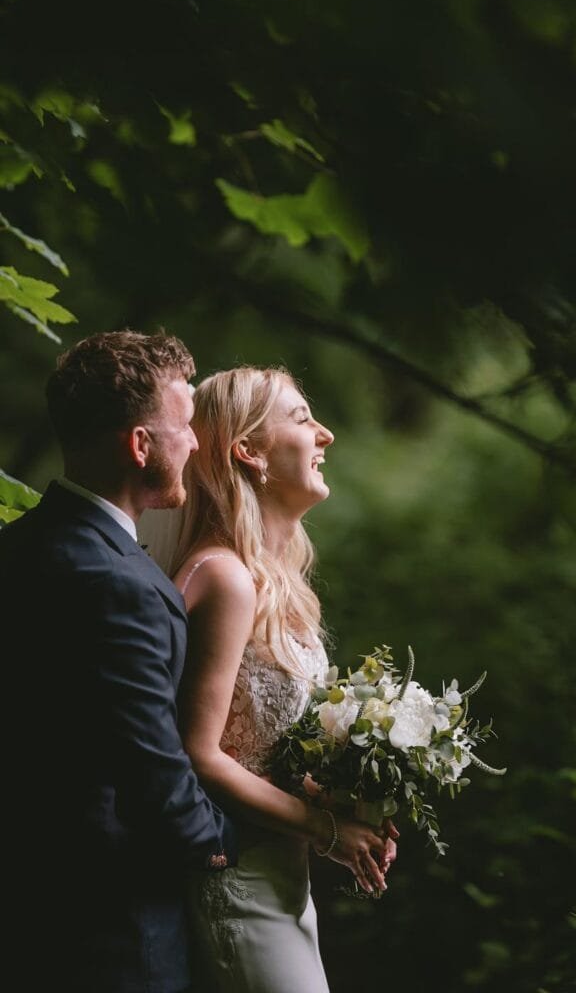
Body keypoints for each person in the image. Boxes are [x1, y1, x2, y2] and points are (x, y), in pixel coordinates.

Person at [141, 365, 397, 993]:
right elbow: (197, 756)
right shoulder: (224, 578)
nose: (326, 434)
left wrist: (343, 803)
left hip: (283, 880)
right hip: (241, 882)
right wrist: (325, 829)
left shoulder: (277, 584)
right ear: (249, 451)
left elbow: (252, 748)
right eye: (303, 417)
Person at [0, 330, 236, 993]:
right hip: (109, 928)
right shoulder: (121, 582)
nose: (194, 443)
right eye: (185, 426)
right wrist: (222, 843)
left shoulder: (16, 548)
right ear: (140, 445)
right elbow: (152, 772)